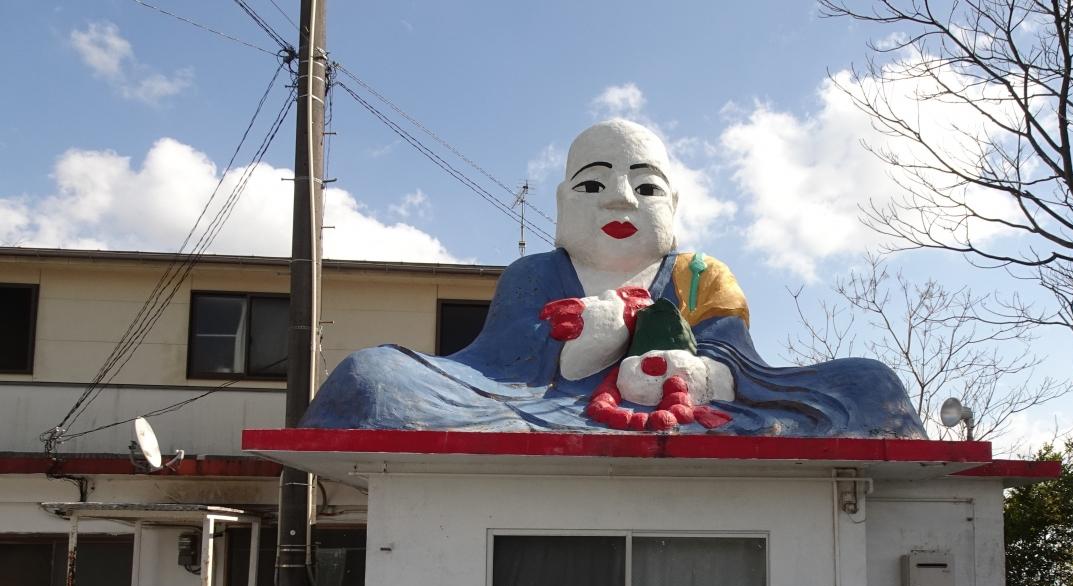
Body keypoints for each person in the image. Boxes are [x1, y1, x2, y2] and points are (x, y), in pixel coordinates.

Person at [300, 119, 925, 438]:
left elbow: (734, 365)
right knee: (371, 377)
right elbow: (498, 366)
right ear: (562, 203)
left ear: (673, 206)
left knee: (871, 385)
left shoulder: (699, 274)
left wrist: (696, 371)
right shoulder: (534, 274)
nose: (620, 198)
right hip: (529, 404)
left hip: (682, 409)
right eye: (594, 184)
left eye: (645, 188)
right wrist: (578, 340)